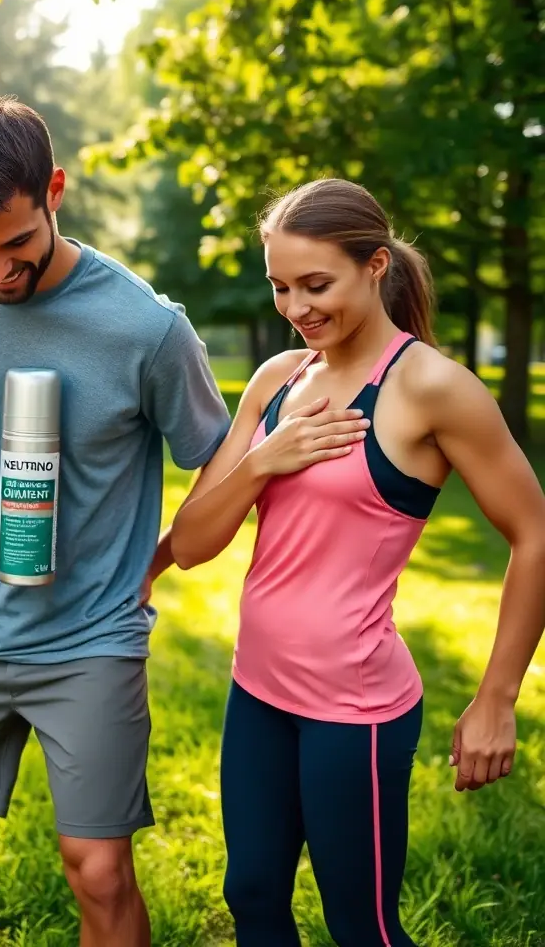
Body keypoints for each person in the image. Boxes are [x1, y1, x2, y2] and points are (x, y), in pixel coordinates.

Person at [0, 94, 231, 947]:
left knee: (99, 869)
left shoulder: (148, 330)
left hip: (90, 639)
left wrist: (150, 565)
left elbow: (217, 464)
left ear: (55, 192)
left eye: (16, 245)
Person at [170, 178, 545, 947]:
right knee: (251, 895)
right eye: (279, 286)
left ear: (376, 266)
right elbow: (192, 544)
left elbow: (535, 533)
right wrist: (263, 461)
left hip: (357, 712)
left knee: (361, 926)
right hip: (259, 689)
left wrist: (496, 700)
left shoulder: (433, 389)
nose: (297, 308)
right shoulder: (279, 380)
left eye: (316, 284)